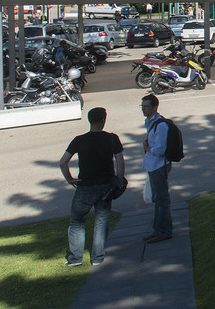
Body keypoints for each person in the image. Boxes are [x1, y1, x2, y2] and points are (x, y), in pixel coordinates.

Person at [59, 107, 125, 266]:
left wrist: (70, 179)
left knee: (77, 221)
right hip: (106, 186)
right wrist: (119, 180)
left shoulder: (79, 140)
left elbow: (63, 162)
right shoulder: (112, 138)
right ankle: (97, 257)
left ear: (90, 120)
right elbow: (120, 161)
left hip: (85, 186)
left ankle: (75, 258)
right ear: (103, 120)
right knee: (101, 221)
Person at [141, 94, 172, 243]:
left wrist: (148, 149)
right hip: (152, 165)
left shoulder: (161, 125)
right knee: (158, 200)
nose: (143, 109)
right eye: (142, 106)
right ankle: (157, 230)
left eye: (146, 106)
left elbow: (160, 149)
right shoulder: (149, 122)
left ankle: (164, 231)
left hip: (159, 165)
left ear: (154, 107)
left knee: (162, 200)